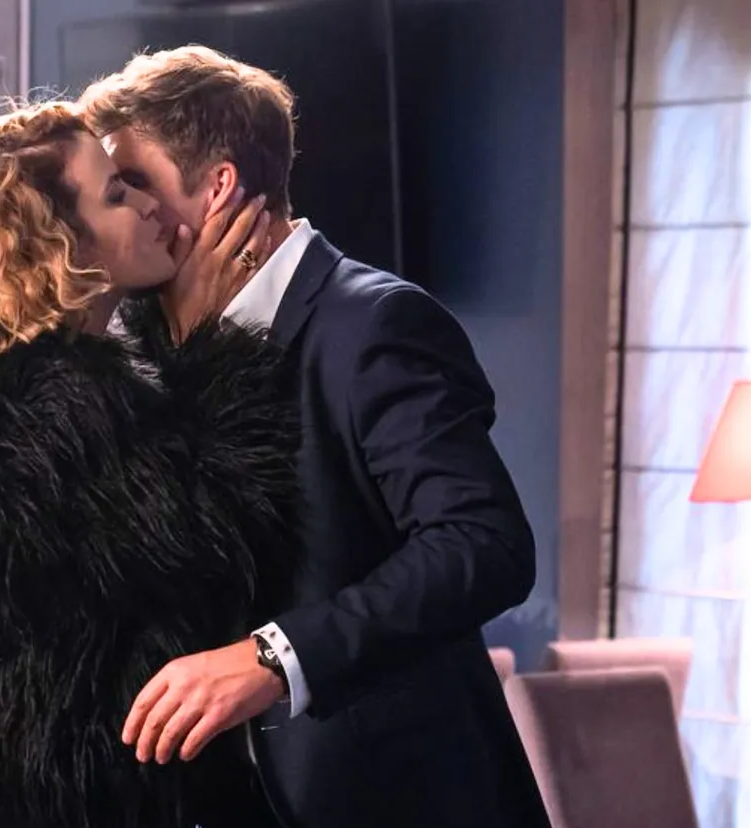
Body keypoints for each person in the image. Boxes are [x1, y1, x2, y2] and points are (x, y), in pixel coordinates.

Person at [81, 46, 551, 828]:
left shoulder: (374, 323)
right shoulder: (147, 345)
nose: (121, 210)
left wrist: (275, 656)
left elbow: (484, 544)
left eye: (133, 180)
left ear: (218, 186)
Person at [0, 101, 297, 828]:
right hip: (95, 786)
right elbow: (231, 547)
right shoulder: (49, 408)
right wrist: (210, 344)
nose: (149, 206)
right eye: (117, 194)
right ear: (56, 243)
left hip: (42, 771)